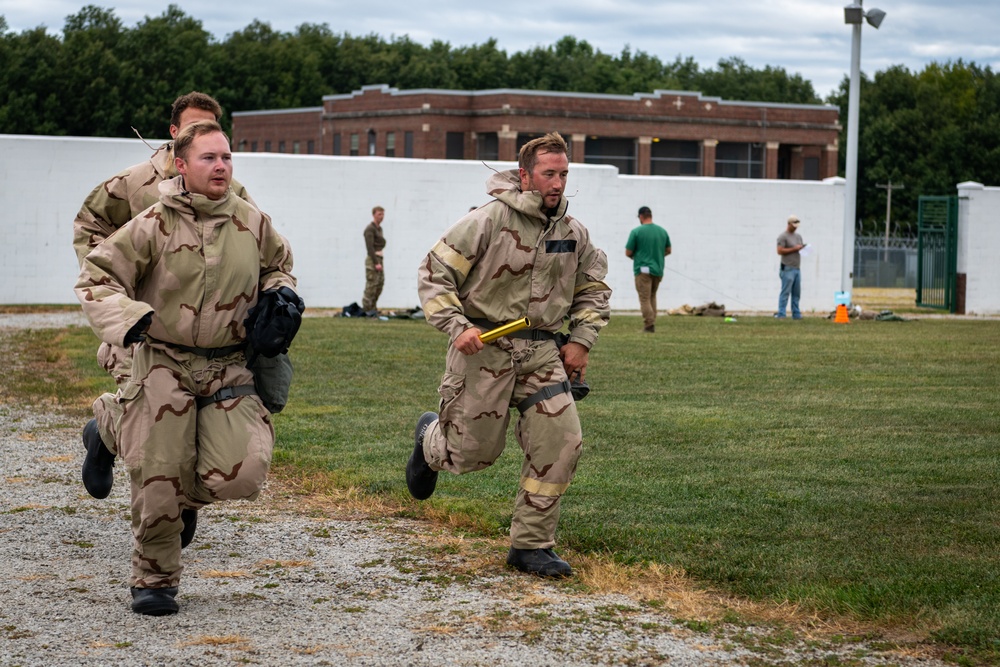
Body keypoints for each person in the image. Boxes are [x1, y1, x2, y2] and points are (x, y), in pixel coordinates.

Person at [74, 120, 300, 616]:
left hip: (229, 365)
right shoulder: (154, 222)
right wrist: (130, 319)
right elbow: (96, 276)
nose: (220, 166)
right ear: (181, 165)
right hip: (162, 360)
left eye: (226, 158)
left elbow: (279, 264)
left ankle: (116, 432)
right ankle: (155, 578)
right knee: (158, 473)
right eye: (208, 158)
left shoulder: (252, 221)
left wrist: (278, 296)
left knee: (242, 473)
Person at [406, 132, 611, 579]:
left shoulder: (573, 233)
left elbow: (593, 288)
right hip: (484, 350)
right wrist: (457, 327)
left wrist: (581, 339)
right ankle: (430, 441)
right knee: (473, 455)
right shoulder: (487, 221)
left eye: (563, 174)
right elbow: (434, 273)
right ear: (525, 175)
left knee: (562, 442)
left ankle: (531, 545)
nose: (557, 183)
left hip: (542, 354)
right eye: (548, 174)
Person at [73, 92, 257, 511]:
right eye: (193, 129)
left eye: (210, 131)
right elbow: (90, 224)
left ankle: (176, 504)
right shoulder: (135, 183)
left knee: (198, 425)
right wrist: (120, 299)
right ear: (174, 133)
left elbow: (251, 245)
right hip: (143, 330)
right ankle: (109, 430)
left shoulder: (234, 190)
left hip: (202, 335)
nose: (203, 139)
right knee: (150, 425)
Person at [625, 206, 671, 333]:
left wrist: (638, 257)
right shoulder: (662, 231)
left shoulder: (636, 231)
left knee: (644, 298)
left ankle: (649, 325)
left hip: (642, 270)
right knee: (652, 296)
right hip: (658, 269)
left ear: (641, 216)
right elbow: (668, 250)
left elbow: (628, 252)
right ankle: (652, 321)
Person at [776, 214, 806, 319]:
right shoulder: (782, 236)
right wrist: (794, 248)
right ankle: (781, 314)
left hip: (797, 268)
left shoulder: (798, 236)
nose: (795, 227)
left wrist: (803, 248)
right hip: (787, 268)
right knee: (785, 292)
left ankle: (796, 314)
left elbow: (799, 249)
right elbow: (779, 251)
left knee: (796, 294)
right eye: (794, 225)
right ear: (788, 224)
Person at [362, 206, 386, 316]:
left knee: (379, 284)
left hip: (380, 258)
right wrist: (376, 262)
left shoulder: (379, 229)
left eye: (382, 214)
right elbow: (370, 247)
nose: (381, 217)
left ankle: (373, 307)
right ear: (374, 215)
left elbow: (382, 243)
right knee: (371, 284)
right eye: (379, 214)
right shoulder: (370, 229)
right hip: (373, 259)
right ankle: (367, 309)